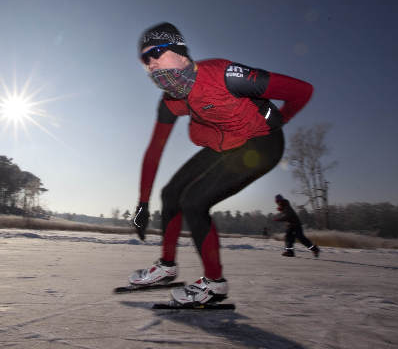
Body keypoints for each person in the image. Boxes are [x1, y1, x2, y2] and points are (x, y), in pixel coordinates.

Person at [128, 22, 313, 305]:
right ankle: (167, 266)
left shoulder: (226, 76)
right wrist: (142, 203)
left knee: (194, 202)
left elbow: (302, 91)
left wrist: (282, 119)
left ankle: (214, 285)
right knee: (170, 193)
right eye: (145, 59)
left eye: (158, 52)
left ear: (181, 53)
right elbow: (154, 150)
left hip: (260, 143)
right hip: (224, 142)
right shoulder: (169, 102)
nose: (151, 63)